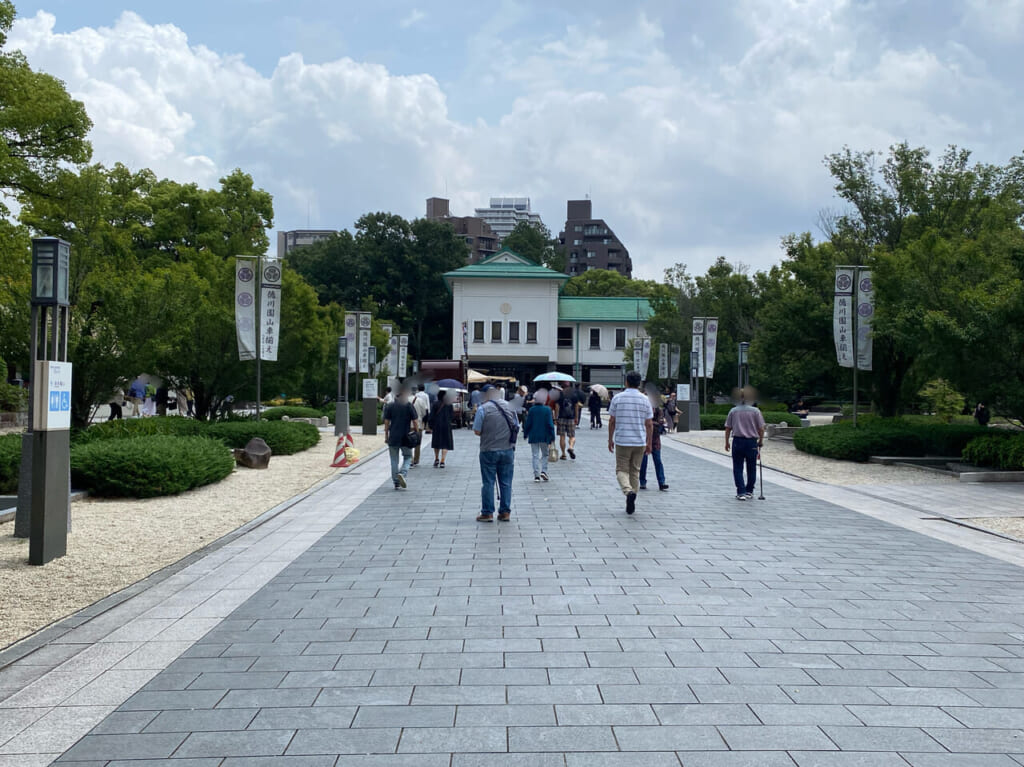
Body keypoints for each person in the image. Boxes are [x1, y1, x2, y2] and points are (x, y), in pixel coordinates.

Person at [607, 371, 653, 515]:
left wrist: (610, 439)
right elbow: (649, 423)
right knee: (635, 471)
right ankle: (633, 494)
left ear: (626, 382)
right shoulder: (645, 399)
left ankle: (628, 492)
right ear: (639, 383)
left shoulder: (617, 398)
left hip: (622, 440)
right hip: (639, 441)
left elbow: (612, 421)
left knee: (621, 469)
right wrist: (649, 442)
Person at [473, 384, 518, 522]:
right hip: (507, 449)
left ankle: (487, 512)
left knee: (488, 482)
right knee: (506, 482)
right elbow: (517, 426)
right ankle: (505, 512)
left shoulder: (482, 409)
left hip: (488, 450)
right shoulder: (511, 407)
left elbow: (477, 431)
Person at [724, 386, 766, 501]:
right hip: (751, 442)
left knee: (737, 467)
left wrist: (727, 442)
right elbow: (761, 428)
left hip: (738, 441)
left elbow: (728, 428)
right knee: (751, 468)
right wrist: (760, 441)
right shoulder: (756, 411)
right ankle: (749, 490)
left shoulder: (733, 411)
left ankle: (741, 491)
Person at [383, 389, 418, 489]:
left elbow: (386, 423)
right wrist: (416, 432)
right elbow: (415, 421)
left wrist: (386, 436)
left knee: (394, 460)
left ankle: (396, 482)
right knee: (408, 456)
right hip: (406, 437)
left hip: (393, 436)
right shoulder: (408, 406)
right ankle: (403, 472)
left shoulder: (390, 406)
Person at [523, 388, 555, 482]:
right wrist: (552, 435)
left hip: (533, 435)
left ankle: (536, 475)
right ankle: (544, 471)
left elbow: (528, 423)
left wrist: (526, 433)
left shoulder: (532, 410)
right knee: (545, 454)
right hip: (545, 435)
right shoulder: (547, 410)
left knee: (535, 455)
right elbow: (550, 424)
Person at [640, 398, 669, 491]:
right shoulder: (643, 409)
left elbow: (661, 422)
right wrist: (652, 423)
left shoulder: (658, 410)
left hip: (655, 439)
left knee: (658, 461)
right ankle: (642, 482)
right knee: (643, 462)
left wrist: (650, 422)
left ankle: (662, 482)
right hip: (644, 439)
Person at [430, 390, 455, 467]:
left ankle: (436, 458)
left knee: (436, 442)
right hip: (446, 425)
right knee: (445, 443)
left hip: (437, 425)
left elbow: (431, 416)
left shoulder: (435, 404)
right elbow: (452, 416)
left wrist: (431, 425)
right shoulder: (449, 404)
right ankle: (442, 461)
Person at [556, 386, 579, 460]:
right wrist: (576, 417)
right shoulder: (574, 395)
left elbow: (557, 407)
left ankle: (563, 454)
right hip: (571, 418)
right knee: (572, 436)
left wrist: (556, 417)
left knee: (562, 437)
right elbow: (576, 406)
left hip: (561, 418)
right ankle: (571, 447)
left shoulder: (560, 395)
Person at [411, 384, 431, 466]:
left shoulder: (407, 400)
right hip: (418, 423)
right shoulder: (424, 397)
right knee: (417, 441)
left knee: (408, 441)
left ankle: (410, 458)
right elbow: (426, 410)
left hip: (408, 424)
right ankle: (416, 459)